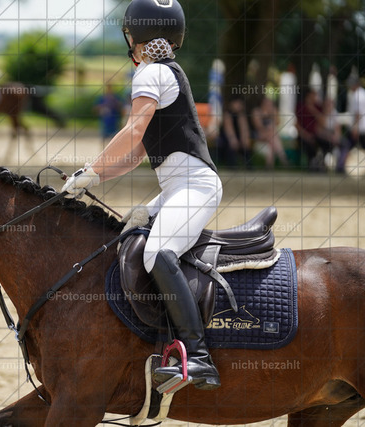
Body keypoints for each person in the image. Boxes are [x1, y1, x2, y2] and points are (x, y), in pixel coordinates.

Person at [62, 0, 221, 390]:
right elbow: (135, 155)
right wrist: (91, 179)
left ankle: (198, 357)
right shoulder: (163, 70)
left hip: (195, 188)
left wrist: (93, 167)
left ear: (139, 36)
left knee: (158, 253)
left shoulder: (151, 72)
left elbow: (133, 132)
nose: (129, 42)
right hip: (178, 188)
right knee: (129, 233)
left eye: (130, 35)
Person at [295, 89, 332, 171]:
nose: (315, 98)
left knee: (327, 143)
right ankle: (312, 164)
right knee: (309, 145)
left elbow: (323, 122)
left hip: (315, 135)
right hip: (303, 136)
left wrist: (312, 109)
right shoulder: (300, 107)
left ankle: (321, 162)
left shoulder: (318, 107)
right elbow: (296, 125)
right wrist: (306, 135)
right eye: (313, 96)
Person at [251, 96, 289, 168]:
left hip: (270, 137)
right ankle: (283, 158)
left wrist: (273, 114)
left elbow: (277, 123)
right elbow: (258, 126)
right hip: (259, 134)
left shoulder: (272, 111)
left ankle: (269, 165)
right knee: (272, 134)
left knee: (272, 140)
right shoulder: (256, 111)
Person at [218, 96, 252, 168]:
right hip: (227, 137)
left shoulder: (241, 115)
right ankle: (232, 165)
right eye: (237, 103)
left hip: (238, 137)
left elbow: (244, 129)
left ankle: (248, 166)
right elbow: (229, 130)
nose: (239, 106)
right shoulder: (227, 114)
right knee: (231, 145)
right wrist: (233, 139)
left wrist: (245, 139)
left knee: (246, 146)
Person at [347, 75, 365, 150]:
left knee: (349, 148)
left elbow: (358, 113)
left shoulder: (357, 95)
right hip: (362, 128)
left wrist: (355, 128)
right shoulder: (362, 92)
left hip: (360, 129)